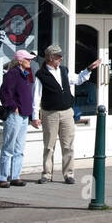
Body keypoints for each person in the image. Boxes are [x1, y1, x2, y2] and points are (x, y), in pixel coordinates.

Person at [34, 44, 99, 184]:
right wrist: (35, 116)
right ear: (50, 58)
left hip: (66, 112)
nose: (61, 58)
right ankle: (46, 174)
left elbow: (78, 79)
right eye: (58, 56)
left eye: (60, 56)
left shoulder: (63, 71)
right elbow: (36, 96)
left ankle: (69, 174)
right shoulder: (41, 74)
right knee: (49, 145)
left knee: (68, 145)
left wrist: (89, 69)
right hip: (49, 113)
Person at [0, 50, 38, 189]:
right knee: (9, 147)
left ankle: (15, 176)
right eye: (28, 59)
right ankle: (3, 177)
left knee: (19, 148)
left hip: (24, 115)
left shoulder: (24, 74)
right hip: (15, 115)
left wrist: (31, 115)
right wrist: (13, 107)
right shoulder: (12, 74)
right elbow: (5, 93)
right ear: (20, 60)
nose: (30, 61)